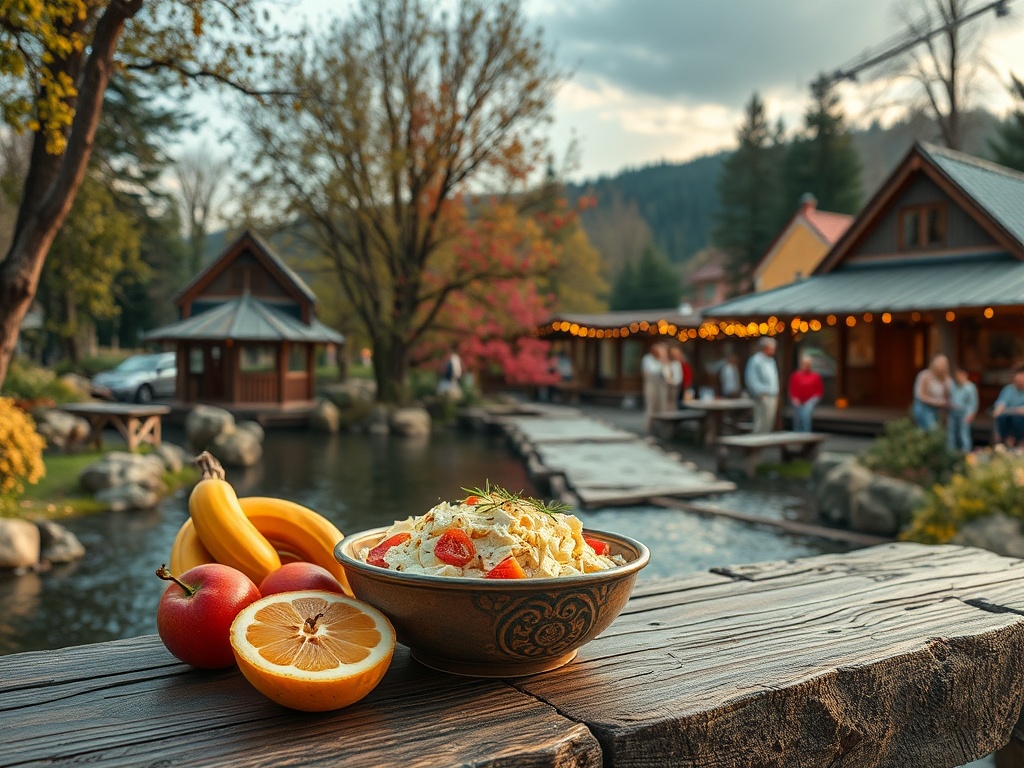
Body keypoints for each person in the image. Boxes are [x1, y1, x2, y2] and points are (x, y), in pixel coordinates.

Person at [745, 338, 779, 433]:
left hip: (772, 395)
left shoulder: (771, 361)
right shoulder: (756, 360)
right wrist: (758, 392)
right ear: (765, 348)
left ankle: (765, 443)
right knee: (760, 421)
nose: (773, 351)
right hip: (762, 395)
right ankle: (756, 443)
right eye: (772, 348)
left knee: (769, 421)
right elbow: (751, 379)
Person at [911, 354, 950, 431]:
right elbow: (918, 394)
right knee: (931, 430)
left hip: (937, 410)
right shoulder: (924, 375)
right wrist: (934, 401)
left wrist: (947, 381)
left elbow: (949, 395)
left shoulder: (945, 378)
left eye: (943, 365)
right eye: (939, 364)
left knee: (934, 431)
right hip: (923, 407)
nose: (941, 367)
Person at [788, 355, 824, 433]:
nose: (806, 365)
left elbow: (819, 392)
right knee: (798, 412)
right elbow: (792, 389)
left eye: (808, 364)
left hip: (811, 400)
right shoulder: (796, 375)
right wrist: (795, 399)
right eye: (804, 363)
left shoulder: (815, 376)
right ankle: (797, 432)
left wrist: (810, 401)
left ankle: (806, 433)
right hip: (798, 399)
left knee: (806, 412)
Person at [947, 367, 979, 452]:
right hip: (953, 413)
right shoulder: (952, 385)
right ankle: (951, 454)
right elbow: (948, 397)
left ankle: (966, 454)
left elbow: (973, 403)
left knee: (963, 434)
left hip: (965, 414)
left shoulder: (970, 387)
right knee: (951, 434)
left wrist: (971, 414)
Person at [641, 343, 669, 433]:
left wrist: (664, 361)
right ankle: (649, 429)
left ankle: (661, 428)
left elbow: (667, 374)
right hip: (652, 384)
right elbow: (646, 373)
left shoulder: (663, 360)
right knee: (651, 406)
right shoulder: (648, 359)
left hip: (661, 384)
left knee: (661, 406)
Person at [994, 368, 1024, 446]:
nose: (1019, 383)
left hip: (1020, 420)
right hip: (1008, 419)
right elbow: (1001, 403)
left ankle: (1018, 442)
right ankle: (1007, 441)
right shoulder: (1008, 389)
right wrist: (998, 410)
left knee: (1017, 418)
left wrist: (1014, 410)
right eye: (1017, 381)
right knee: (1001, 417)